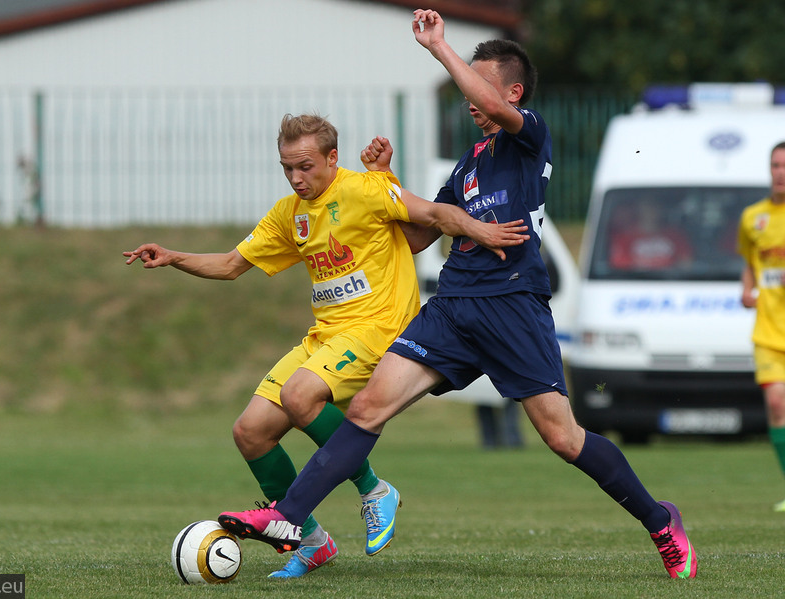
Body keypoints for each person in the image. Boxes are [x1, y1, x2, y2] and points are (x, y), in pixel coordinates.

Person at [218, 10, 697, 580]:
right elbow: (421, 234)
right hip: (450, 309)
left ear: (513, 93)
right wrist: (390, 181)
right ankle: (290, 517)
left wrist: (440, 48)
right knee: (368, 407)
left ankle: (660, 520)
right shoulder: (468, 165)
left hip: (512, 305)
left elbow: (494, 109)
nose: (472, 98)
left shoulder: (529, 138)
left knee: (563, 438)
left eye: (482, 84)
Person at [123, 113, 529, 578]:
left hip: (379, 328)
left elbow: (436, 215)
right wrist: (173, 257)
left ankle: (375, 490)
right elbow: (232, 264)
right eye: (287, 168)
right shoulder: (288, 214)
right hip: (326, 336)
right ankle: (312, 541)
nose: (297, 177)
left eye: (305, 166)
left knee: (300, 395)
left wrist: (482, 230)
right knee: (250, 431)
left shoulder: (365, 189)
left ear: (332, 158)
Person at [738, 140, 785, 512]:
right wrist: (747, 291)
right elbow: (750, 262)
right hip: (769, 332)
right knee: (777, 402)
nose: (780, 172)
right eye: (775, 165)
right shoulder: (753, 217)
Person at [609, 199, 694, 270]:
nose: (652, 210)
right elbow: (621, 269)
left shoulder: (675, 236)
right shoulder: (624, 238)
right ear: (639, 209)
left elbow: (686, 264)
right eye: (648, 206)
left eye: (656, 206)